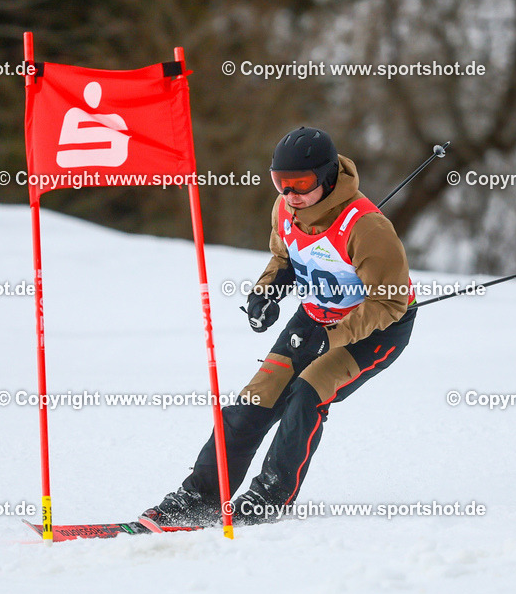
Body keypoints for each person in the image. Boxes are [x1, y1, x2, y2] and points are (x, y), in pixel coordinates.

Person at [141, 126, 416, 528]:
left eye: (300, 184)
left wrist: (333, 335)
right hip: (315, 315)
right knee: (257, 400)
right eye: (280, 183)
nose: (290, 195)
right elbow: (284, 260)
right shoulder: (284, 210)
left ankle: (270, 495)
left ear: (326, 177)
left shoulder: (367, 227)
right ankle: (201, 496)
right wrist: (265, 295)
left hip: (376, 329)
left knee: (308, 391)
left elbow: (388, 301)